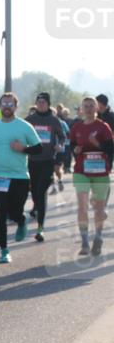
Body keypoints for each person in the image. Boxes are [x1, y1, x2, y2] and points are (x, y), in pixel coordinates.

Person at [0, 93, 43, 263]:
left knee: (15, 212)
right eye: (4, 104)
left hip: (19, 177)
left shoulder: (25, 126)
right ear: (0, 106)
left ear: (16, 107)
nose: (7, 107)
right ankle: (4, 250)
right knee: (0, 212)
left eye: (10, 104)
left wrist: (23, 148)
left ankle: (21, 220)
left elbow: (39, 148)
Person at [69, 96, 114, 256]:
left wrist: (97, 144)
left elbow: (110, 149)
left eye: (91, 106)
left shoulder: (103, 127)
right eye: (85, 106)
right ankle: (84, 242)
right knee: (82, 206)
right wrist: (75, 150)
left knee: (98, 208)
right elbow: (72, 145)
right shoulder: (77, 127)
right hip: (81, 170)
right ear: (81, 109)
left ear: (96, 108)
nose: (88, 109)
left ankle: (98, 237)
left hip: (100, 172)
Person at [25, 92, 66, 241]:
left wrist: (59, 145)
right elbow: (21, 134)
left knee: (41, 193)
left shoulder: (54, 120)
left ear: (48, 104)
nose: (41, 104)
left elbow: (62, 136)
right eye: (39, 102)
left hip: (48, 160)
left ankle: (40, 228)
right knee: (35, 193)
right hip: (32, 161)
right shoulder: (30, 119)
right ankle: (37, 207)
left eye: (43, 102)